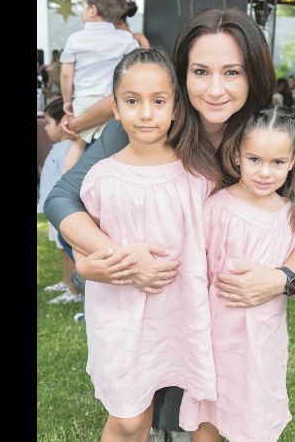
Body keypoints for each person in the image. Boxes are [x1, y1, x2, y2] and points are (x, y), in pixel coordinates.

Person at [44, 7, 295, 436]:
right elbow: (64, 198)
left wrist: (283, 277)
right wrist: (106, 257)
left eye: (231, 72)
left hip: (212, 312)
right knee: (131, 411)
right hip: (149, 302)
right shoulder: (147, 124)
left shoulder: (263, 140)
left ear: (253, 74)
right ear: (180, 76)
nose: (215, 89)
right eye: (200, 71)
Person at [79, 47, 218, 441]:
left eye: (158, 101)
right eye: (132, 101)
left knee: (147, 411)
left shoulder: (197, 175)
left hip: (178, 315)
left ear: (176, 108)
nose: (145, 113)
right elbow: (82, 247)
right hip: (119, 315)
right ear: (116, 108)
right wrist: (88, 267)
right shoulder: (102, 178)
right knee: (127, 418)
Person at [179, 106, 295, 442]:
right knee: (209, 417)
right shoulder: (216, 208)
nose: (265, 172)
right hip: (216, 340)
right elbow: (196, 273)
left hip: (263, 344)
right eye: (255, 160)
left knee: (254, 416)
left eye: (277, 163)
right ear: (237, 155)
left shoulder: (292, 218)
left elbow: (282, 274)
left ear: (292, 161)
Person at [59, 0, 139, 182]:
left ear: (93, 10)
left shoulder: (75, 39)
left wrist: (67, 101)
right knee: (111, 148)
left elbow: (66, 74)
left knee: (77, 144)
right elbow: (134, 70)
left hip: (84, 99)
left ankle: (65, 185)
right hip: (112, 103)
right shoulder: (125, 39)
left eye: (83, 6)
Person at [37, 99, 84, 304]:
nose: (46, 127)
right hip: (52, 208)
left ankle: (75, 291)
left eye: (48, 123)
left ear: (63, 121)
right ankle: (66, 283)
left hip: (62, 209)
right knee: (61, 250)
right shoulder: (60, 147)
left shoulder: (71, 148)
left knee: (68, 250)